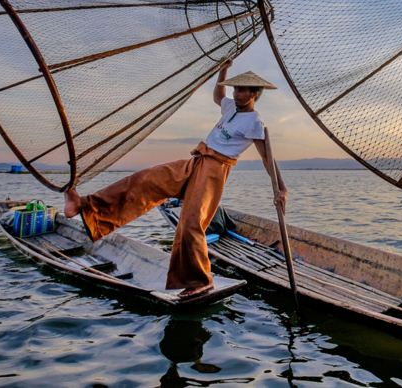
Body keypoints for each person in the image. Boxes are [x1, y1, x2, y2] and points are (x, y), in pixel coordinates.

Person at [63, 62, 288, 299]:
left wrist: (281, 188)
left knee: (191, 223)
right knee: (145, 179)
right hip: (196, 161)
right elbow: (218, 95)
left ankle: (200, 280)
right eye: (236, 88)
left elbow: (267, 159)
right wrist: (223, 70)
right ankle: (84, 205)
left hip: (214, 171)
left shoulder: (255, 122)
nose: (236, 93)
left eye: (242, 90)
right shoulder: (230, 107)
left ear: (254, 94)